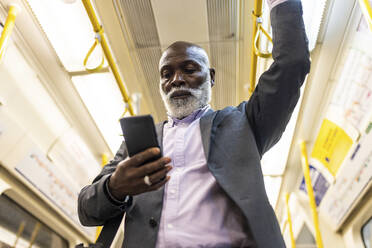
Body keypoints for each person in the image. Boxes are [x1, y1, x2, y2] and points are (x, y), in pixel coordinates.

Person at [78, 0, 310, 247]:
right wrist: (114, 188)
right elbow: (86, 209)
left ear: (210, 77)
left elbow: (291, 63)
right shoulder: (137, 144)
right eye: (166, 74)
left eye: (189, 70)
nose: (177, 80)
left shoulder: (245, 124)